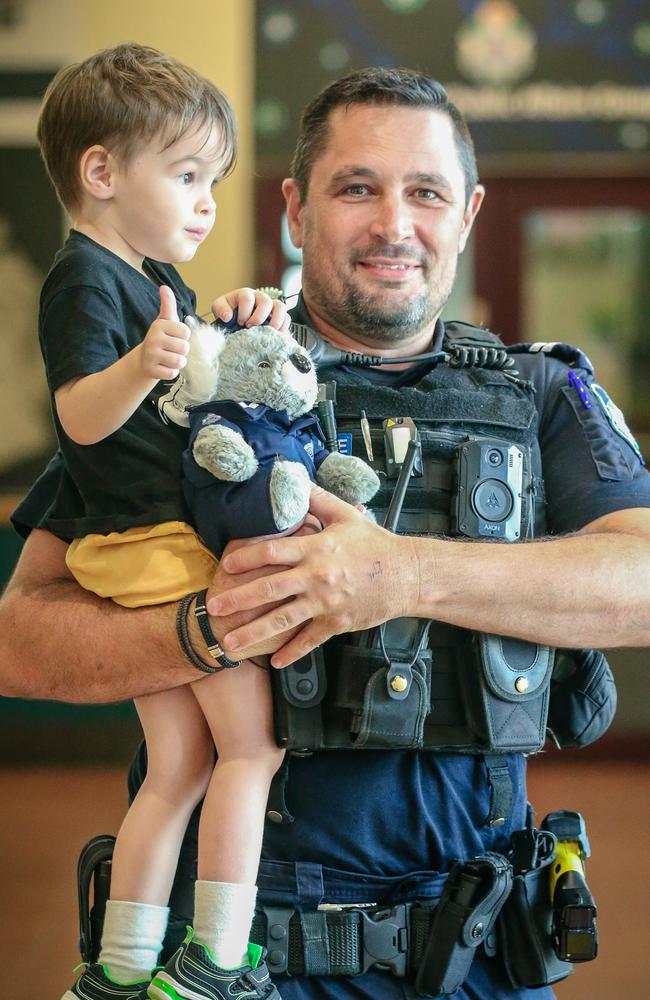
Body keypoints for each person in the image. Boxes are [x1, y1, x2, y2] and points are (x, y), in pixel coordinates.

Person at [3, 66, 650, 1000]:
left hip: (470, 958)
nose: (395, 223)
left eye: (425, 192)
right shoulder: (192, 370)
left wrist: (402, 577)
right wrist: (207, 629)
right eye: (357, 187)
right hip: (226, 965)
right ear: (296, 210)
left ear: (466, 214)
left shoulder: (539, 394)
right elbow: (17, 640)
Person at [34, 43, 289, 1000]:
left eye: (212, 180)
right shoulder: (85, 280)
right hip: (151, 546)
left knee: (179, 761)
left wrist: (232, 321)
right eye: (186, 175)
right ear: (101, 172)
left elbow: (197, 388)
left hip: (150, 542)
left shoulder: (157, 285)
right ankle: (218, 962)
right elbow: (78, 419)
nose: (206, 201)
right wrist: (144, 363)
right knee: (253, 749)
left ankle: (120, 969)